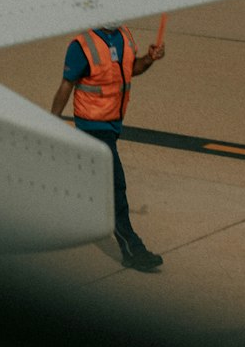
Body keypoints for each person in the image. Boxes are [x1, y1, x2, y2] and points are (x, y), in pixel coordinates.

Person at [51, 23, 165, 272]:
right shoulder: (82, 46)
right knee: (116, 188)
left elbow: (130, 69)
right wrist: (51, 121)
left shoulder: (124, 35)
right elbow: (66, 85)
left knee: (96, 183)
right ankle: (132, 250)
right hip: (93, 126)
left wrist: (149, 59)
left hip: (113, 125)